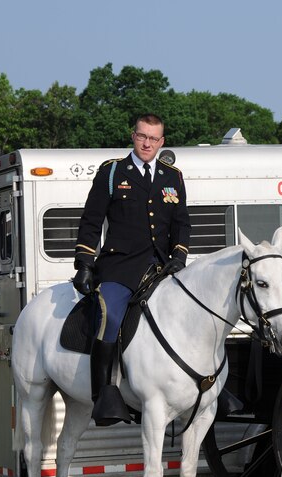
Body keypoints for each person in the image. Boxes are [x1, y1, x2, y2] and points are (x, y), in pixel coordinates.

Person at [72, 114, 190, 426]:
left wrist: (179, 255)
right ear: (133, 136)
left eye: (154, 138)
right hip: (120, 267)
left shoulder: (172, 176)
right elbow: (91, 220)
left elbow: (181, 224)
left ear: (161, 142)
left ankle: (207, 388)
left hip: (162, 268)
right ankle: (104, 396)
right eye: (142, 136)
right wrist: (84, 262)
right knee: (109, 317)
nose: (147, 143)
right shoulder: (112, 173)